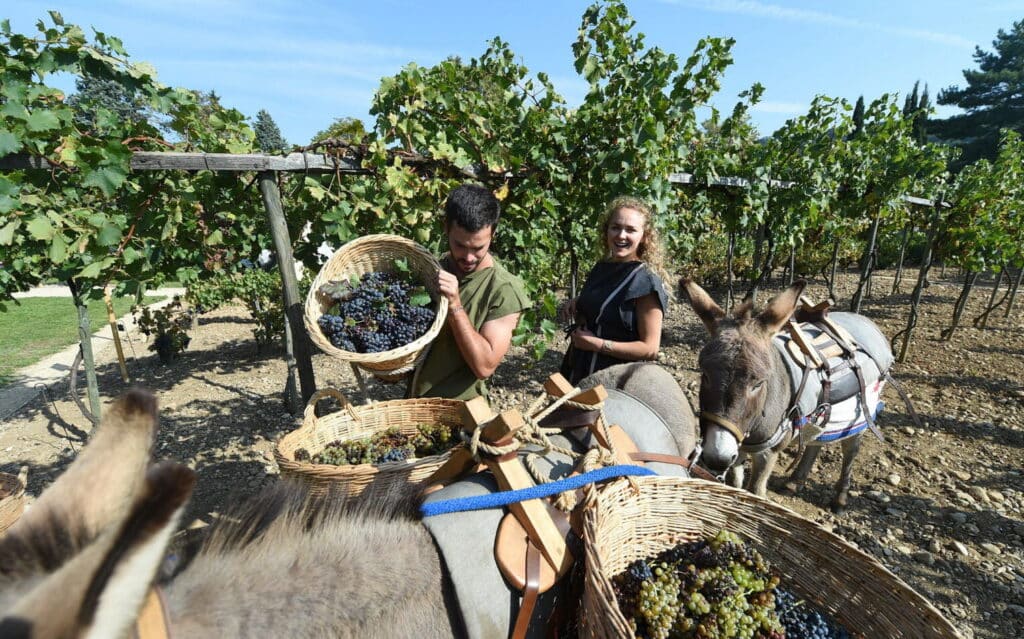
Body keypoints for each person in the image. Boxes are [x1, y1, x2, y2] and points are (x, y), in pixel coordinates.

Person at [409, 183, 530, 402]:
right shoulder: (430, 271)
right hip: (414, 403)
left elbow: (484, 366)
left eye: (478, 248)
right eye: (460, 245)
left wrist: (455, 304)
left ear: (492, 234)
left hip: (462, 413)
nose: (468, 257)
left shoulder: (504, 290)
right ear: (446, 228)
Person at [562, 195, 669, 384]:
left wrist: (599, 345)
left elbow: (650, 349)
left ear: (644, 236)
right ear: (607, 231)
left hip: (616, 382)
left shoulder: (646, 283)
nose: (621, 235)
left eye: (631, 230)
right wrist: (580, 301)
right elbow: (610, 302)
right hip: (580, 369)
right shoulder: (602, 267)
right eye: (616, 227)